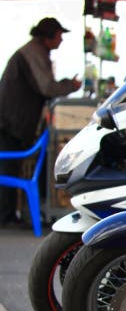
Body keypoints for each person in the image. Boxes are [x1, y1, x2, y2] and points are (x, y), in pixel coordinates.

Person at [0, 17, 81, 223]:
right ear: (48, 36)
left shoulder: (36, 51)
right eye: (59, 36)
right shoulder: (33, 53)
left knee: (11, 168)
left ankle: (10, 214)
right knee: (7, 169)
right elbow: (46, 87)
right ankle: (6, 215)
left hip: (14, 122)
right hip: (10, 122)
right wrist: (69, 85)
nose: (61, 40)